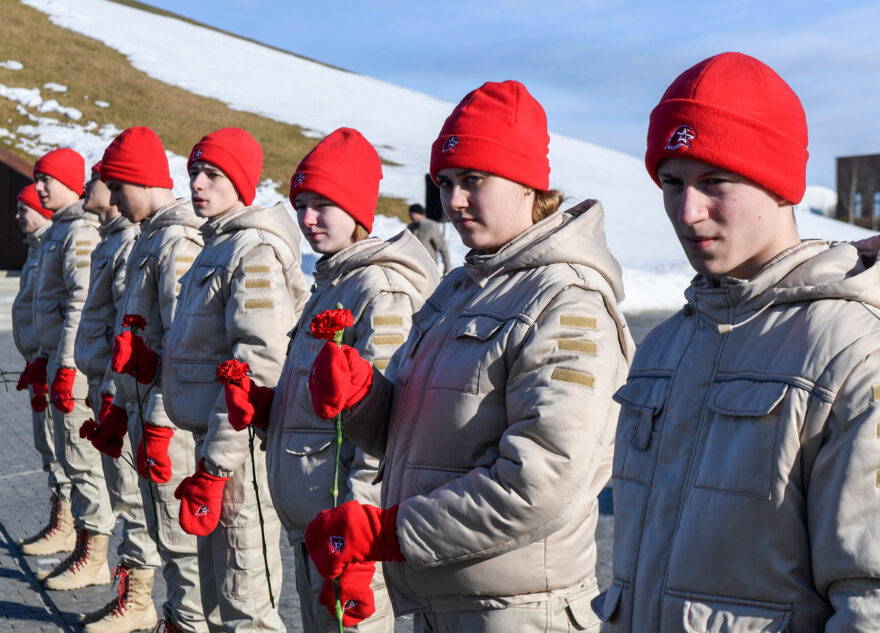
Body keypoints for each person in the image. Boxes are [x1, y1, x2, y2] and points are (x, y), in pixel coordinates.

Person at [304, 82, 634, 632]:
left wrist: (389, 533)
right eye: (446, 183)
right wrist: (362, 396)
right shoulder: (461, 289)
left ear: (529, 185)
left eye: (473, 181)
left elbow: (541, 479)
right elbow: (411, 436)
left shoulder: (568, 300)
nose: (454, 201)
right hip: (443, 594)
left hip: (518, 610)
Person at [595, 52, 880, 632]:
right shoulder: (665, 347)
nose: (687, 211)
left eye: (714, 181)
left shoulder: (849, 347)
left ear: (778, 186)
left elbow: (869, 595)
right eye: (671, 183)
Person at [226, 126, 438, 632]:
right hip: (315, 528)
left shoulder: (379, 289)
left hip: (345, 536)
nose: (307, 218)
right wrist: (268, 407)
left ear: (358, 209)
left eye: (324, 204)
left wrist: (359, 540)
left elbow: (383, 429)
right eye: (301, 204)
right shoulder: (333, 281)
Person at [162, 127, 309, 632]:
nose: (198, 184)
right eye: (194, 173)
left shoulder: (253, 250)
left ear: (241, 184)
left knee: (245, 599)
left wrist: (219, 465)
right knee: (219, 591)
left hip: (238, 451)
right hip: (212, 443)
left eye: (213, 174)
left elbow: (259, 362)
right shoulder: (216, 243)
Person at [99, 126, 207, 633]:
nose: (115, 201)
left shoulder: (176, 241)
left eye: (118, 188)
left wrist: (160, 422)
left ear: (139, 182)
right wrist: (123, 402)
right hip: (145, 410)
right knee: (163, 531)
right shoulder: (152, 236)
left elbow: (182, 347)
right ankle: (170, 617)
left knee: (181, 540)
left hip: (169, 425)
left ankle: (187, 622)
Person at [74, 161, 161, 633]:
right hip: (107, 384)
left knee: (132, 499)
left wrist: (114, 389)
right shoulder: (113, 239)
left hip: (122, 389)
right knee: (120, 493)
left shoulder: (128, 240)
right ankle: (129, 589)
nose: (88, 187)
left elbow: (132, 328)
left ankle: (140, 599)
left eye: (100, 179)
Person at [29, 148, 115, 591]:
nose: (40, 187)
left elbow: (79, 306)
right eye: (37, 179)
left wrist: (63, 365)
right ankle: (80, 540)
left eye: (47, 179)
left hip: (75, 370)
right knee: (66, 456)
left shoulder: (79, 232)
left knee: (83, 461)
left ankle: (94, 554)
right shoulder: (60, 230)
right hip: (59, 362)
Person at [12, 184, 75, 557]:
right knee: (46, 444)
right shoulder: (38, 249)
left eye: (25, 209)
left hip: (53, 363)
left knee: (60, 446)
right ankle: (61, 518)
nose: (18, 216)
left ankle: (70, 526)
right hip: (39, 362)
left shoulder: (55, 246)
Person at [406, 203, 451, 274]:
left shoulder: (431, 226)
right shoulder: (410, 227)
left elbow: (442, 247)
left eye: (411, 213)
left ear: (418, 213)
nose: (409, 215)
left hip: (428, 267)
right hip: (412, 265)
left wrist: (447, 267)